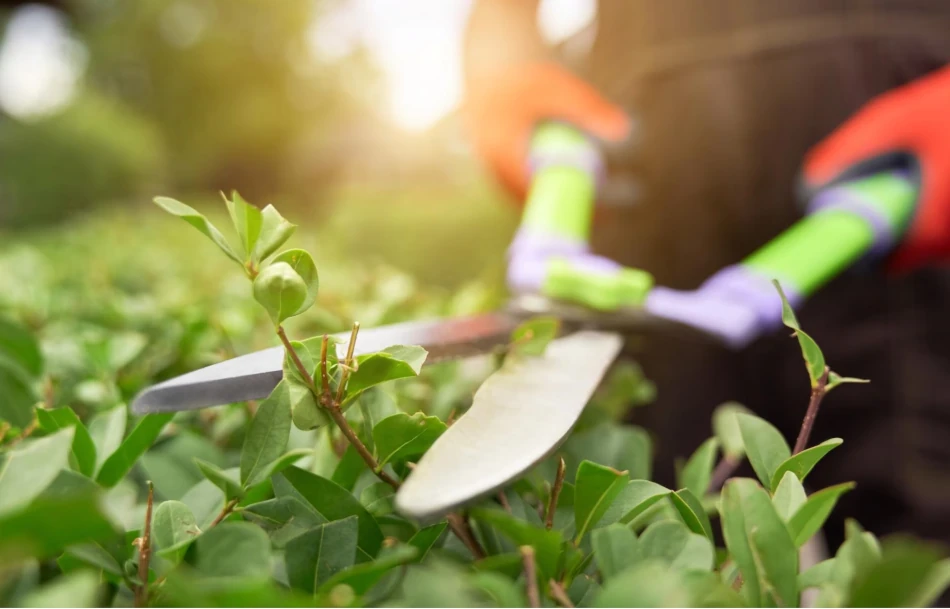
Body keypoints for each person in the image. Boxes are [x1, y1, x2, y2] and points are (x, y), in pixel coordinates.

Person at [463, 0, 950, 558]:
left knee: (921, 559)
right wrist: (503, 62)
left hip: (899, 110)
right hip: (651, 147)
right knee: (648, 540)